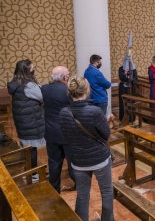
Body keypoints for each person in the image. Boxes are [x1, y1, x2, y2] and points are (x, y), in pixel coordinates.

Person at [59, 76, 113, 221]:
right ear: (87, 90)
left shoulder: (63, 112)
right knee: (107, 191)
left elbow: (67, 134)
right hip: (99, 158)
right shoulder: (94, 111)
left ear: (70, 92)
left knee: (82, 193)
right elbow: (106, 134)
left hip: (78, 159)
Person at [7, 59, 45, 180]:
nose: (34, 70)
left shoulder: (16, 82)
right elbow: (41, 97)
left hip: (23, 120)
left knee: (28, 148)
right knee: (32, 149)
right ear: (27, 70)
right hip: (31, 120)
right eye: (32, 68)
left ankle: (29, 172)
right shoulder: (28, 84)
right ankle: (32, 175)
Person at [41, 66, 75, 193]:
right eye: (68, 74)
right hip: (67, 132)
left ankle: (55, 190)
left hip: (51, 132)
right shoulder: (69, 90)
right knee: (72, 161)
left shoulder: (44, 89)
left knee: (54, 162)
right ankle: (77, 183)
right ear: (64, 77)